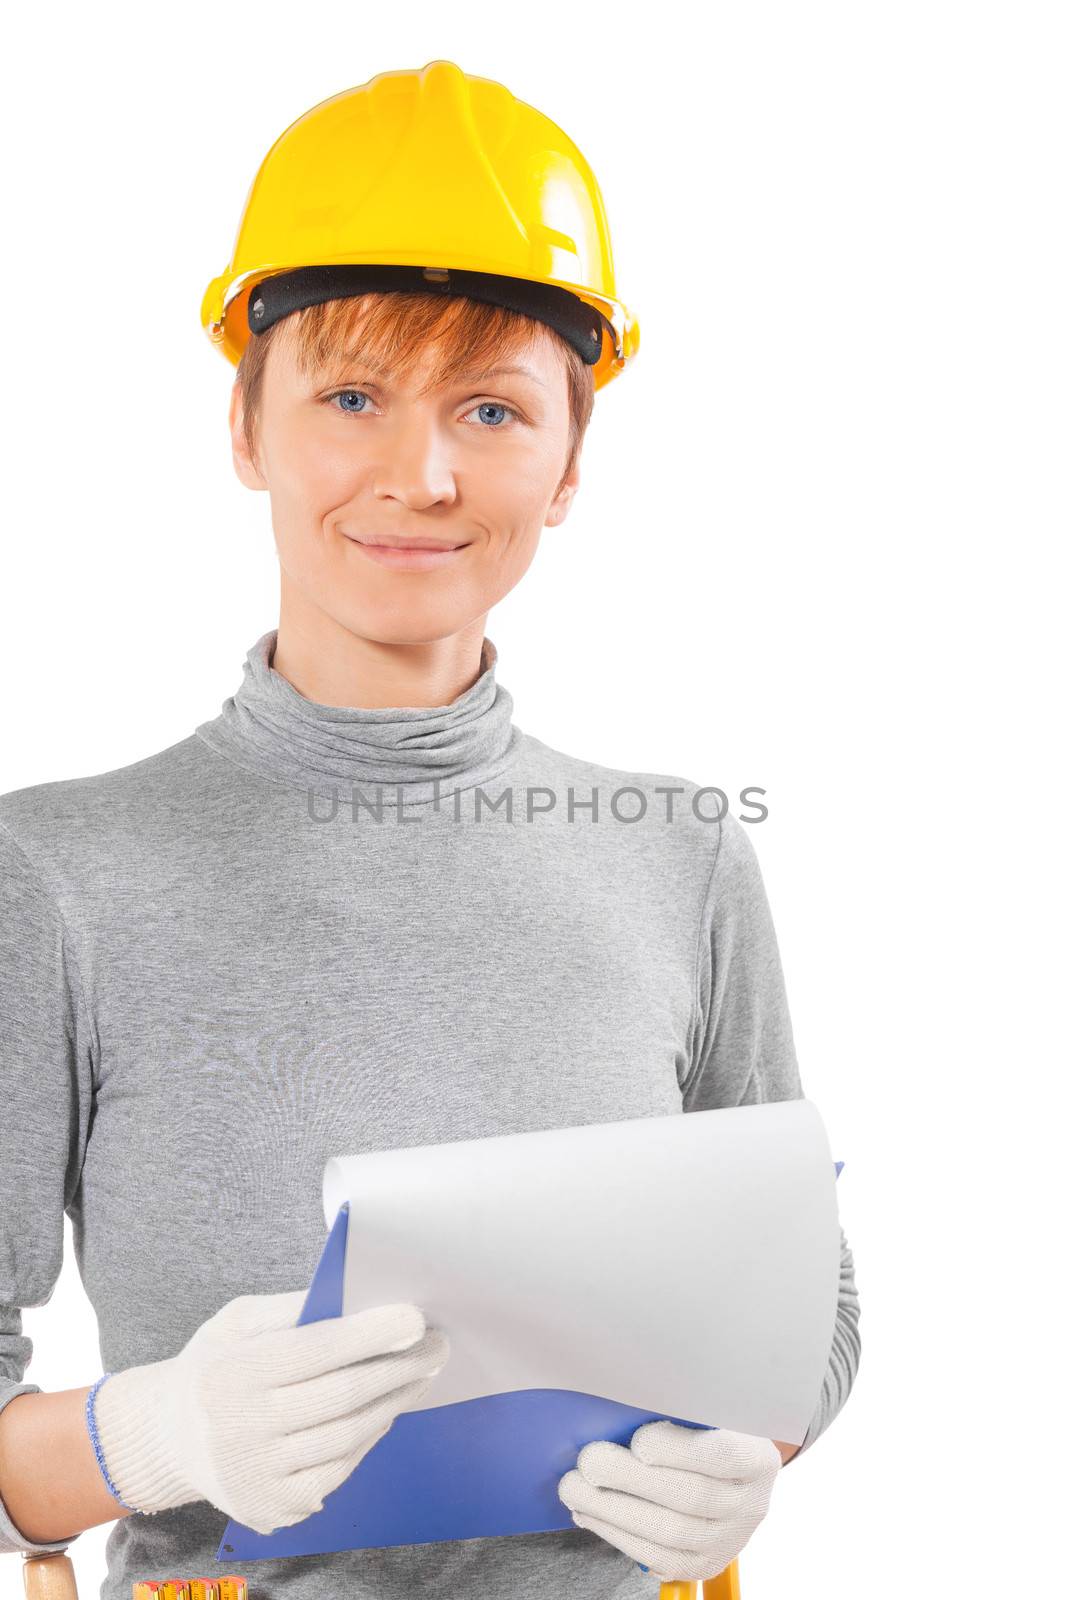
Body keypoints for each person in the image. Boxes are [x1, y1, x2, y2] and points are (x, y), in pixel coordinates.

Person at [0, 59, 860, 1598]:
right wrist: (159, 1433)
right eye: (349, 395)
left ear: (571, 462)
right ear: (247, 428)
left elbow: (812, 1314)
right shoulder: (55, 873)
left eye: (493, 407)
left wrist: (753, 1452)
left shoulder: (685, 856)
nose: (425, 474)